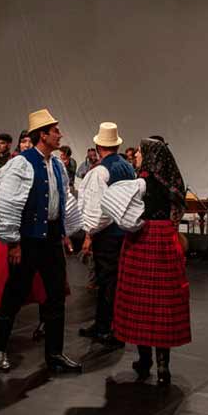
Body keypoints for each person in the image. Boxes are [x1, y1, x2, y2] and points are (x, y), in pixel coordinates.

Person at [0, 108, 79, 373]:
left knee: (56, 296)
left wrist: (64, 232)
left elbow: (62, 198)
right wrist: (13, 242)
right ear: (43, 135)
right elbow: (7, 202)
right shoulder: (22, 163)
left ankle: (55, 353)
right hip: (28, 240)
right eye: (55, 131)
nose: (60, 135)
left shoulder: (57, 164)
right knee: (14, 294)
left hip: (50, 238)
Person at [107, 138, 191, 386]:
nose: (137, 155)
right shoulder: (171, 182)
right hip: (165, 239)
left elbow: (127, 214)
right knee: (163, 303)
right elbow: (177, 212)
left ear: (150, 156)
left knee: (140, 301)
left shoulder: (142, 182)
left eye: (140, 152)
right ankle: (163, 367)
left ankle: (145, 361)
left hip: (142, 239)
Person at [79, 122, 136, 347]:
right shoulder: (127, 167)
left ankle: (107, 328)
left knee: (107, 281)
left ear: (98, 146)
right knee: (114, 281)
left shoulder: (101, 171)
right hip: (124, 231)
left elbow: (99, 210)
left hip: (108, 234)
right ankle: (104, 324)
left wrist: (89, 233)